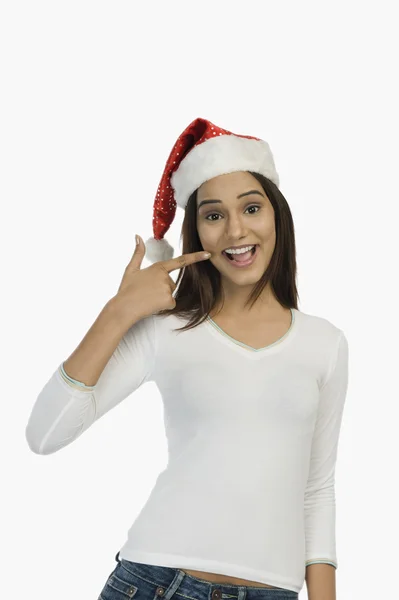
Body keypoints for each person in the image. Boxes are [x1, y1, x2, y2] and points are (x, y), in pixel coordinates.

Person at [25, 117, 349, 600]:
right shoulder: (168, 330)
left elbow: (317, 490)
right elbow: (45, 435)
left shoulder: (325, 344)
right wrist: (119, 312)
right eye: (214, 215)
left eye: (252, 208)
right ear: (196, 231)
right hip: (159, 582)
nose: (236, 229)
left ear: (277, 217)